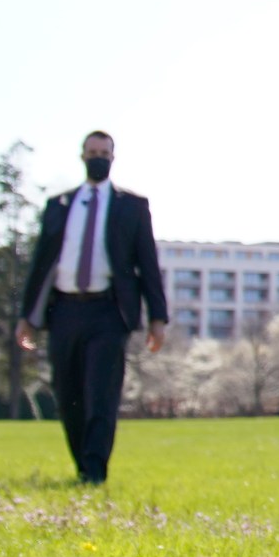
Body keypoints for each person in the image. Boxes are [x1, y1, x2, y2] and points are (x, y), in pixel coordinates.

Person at [14, 131, 168, 484]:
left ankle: (95, 472)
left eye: (104, 152)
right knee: (68, 395)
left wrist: (157, 318)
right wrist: (27, 317)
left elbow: (147, 262)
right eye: (92, 152)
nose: (98, 157)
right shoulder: (60, 206)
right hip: (64, 311)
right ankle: (81, 466)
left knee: (101, 394)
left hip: (109, 312)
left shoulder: (131, 207)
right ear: (82, 156)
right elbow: (40, 263)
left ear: (113, 157)